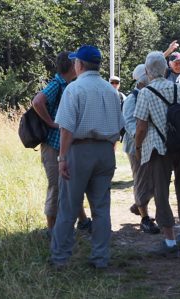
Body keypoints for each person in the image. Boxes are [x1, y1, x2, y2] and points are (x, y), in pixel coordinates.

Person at [49, 45, 124, 269]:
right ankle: (100, 258)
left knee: (68, 207)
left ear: (79, 64)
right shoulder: (111, 90)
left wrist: (62, 158)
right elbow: (120, 126)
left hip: (79, 151)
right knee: (101, 208)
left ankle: (60, 258)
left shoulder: (74, 89)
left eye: (75, 62)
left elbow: (66, 129)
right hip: (105, 151)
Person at [134, 51, 180, 257]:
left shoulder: (145, 93)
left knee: (162, 193)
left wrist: (137, 146)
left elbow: (141, 126)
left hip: (159, 149)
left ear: (147, 71)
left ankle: (170, 241)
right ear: (165, 68)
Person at [32, 51, 91, 239]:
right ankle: (52, 230)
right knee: (56, 187)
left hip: (62, 145)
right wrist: (50, 122)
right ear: (70, 65)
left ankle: (83, 221)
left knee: (69, 183)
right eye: (76, 62)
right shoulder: (57, 84)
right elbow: (38, 101)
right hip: (52, 145)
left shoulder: (68, 84)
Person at [122, 64, 160, 234]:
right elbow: (129, 123)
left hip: (152, 145)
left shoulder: (151, 94)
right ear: (142, 79)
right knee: (141, 178)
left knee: (153, 179)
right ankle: (145, 217)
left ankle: (139, 204)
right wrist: (140, 138)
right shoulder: (132, 99)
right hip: (135, 146)